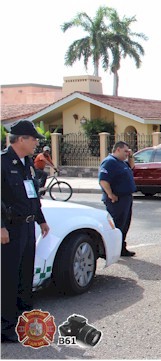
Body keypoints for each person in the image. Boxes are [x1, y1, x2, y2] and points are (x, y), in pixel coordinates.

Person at [1, 120, 50, 343]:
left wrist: (41, 220)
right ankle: (5, 327)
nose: (36, 143)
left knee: (24, 274)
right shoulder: (3, 162)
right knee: (9, 277)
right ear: (21, 139)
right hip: (10, 229)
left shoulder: (27, 163)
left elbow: (32, 195)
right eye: (33, 139)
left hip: (27, 227)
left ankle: (23, 319)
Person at [99, 141, 137, 257]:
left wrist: (130, 156)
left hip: (126, 197)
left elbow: (132, 166)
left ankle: (121, 248)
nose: (127, 153)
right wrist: (110, 194)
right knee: (116, 225)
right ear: (118, 150)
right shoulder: (109, 162)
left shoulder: (121, 162)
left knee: (124, 225)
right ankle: (108, 250)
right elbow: (103, 180)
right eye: (125, 151)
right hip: (116, 199)